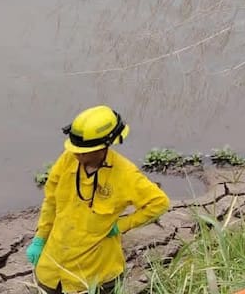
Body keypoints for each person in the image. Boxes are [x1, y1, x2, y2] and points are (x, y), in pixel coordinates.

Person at [25, 105, 170, 294]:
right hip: (53, 268)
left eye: (84, 151)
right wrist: (40, 238)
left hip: (95, 276)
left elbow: (159, 203)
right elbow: (51, 200)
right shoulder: (68, 159)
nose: (77, 154)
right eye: (75, 149)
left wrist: (123, 225)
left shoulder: (126, 175)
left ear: (104, 146)